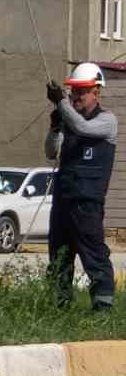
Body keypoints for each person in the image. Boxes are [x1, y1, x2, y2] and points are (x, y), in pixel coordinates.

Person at [45, 62, 116, 312]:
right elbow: (50, 152)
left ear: (96, 92)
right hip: (63, 202)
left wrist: (61, 103)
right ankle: (59, 307)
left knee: (94, 257)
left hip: (87, 205)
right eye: (73, 91)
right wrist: (54, 127)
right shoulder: (68, 120)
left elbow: (83, 127)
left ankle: (102, 310)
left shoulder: (107, 121)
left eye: (81, 91)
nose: (75, 96)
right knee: (59, 258)